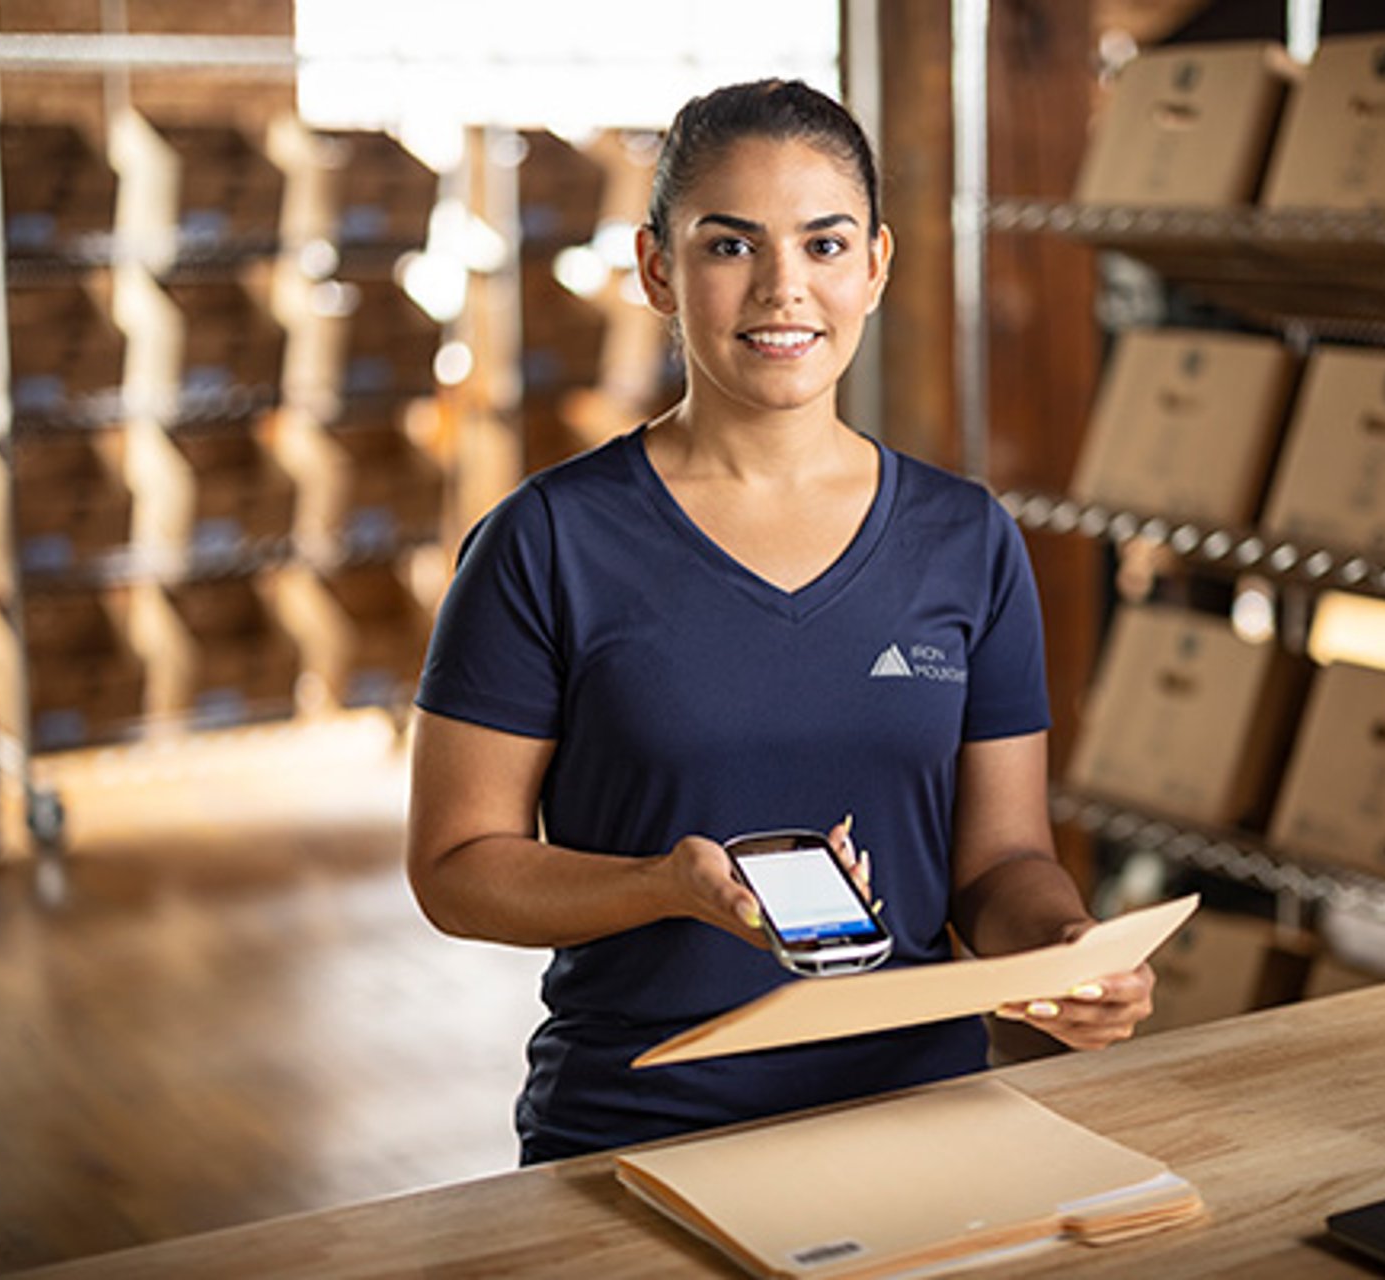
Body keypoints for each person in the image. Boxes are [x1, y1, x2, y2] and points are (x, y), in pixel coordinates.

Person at [407, 78, 1154, 1166]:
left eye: (824, 243)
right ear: (658, 268)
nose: (782, 289)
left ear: (876, 266)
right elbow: (456, 865)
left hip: (919, 1120)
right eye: (729, 246)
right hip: (638, 1126)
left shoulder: (967, 538)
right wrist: (663, 886)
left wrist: (1060, 949)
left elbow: (998, 860)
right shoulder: (545, 540)